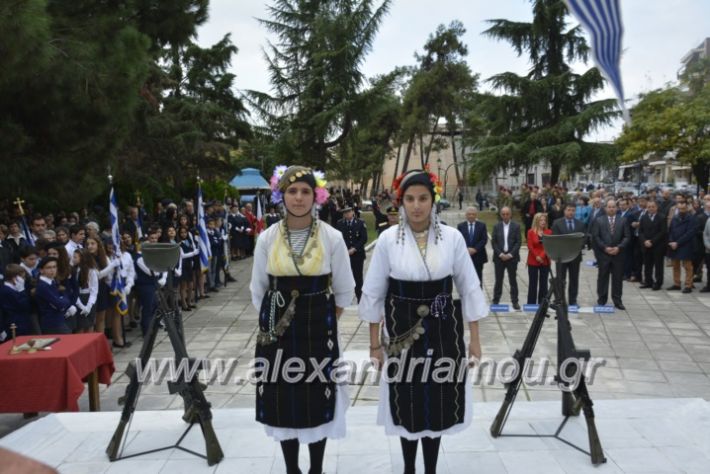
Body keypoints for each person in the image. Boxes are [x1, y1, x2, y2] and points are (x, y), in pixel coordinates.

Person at [359, 168, 487, 474]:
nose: (417, 206)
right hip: (402, 327)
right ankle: (408, 468)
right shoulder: (388, 239)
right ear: (401, 202)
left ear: (433, 200)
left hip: (444, 326)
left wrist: (475, 341)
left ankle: (430, 468)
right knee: (408, 397)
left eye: (423, 198)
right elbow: (374, 293)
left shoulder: (453, 238)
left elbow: (470, 288)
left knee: (440, 397)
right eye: (410, 199)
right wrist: (375, 345)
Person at [250, 165, 355, 474]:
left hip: (317, 333)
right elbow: (259, 290)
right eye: (292, 191)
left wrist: (322, 318)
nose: (298, 198)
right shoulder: (267, 238)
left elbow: (345, 291)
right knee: (284, 399)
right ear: (281, 195)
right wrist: (276, 321)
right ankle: (292, 469)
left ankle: (316, 469)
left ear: (316, 195)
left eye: (305, 191)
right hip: (277, 334)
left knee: (316, 398)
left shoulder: (332, 237)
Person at [591, 198, 630, 310]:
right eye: (609, 207)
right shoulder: (599, 220)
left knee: (617, 278)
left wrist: (619, 247)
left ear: (616, 208)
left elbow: (627, 237)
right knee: (603, 277)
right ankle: (602, 299)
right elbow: (596, 236)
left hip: (618, 254)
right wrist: (605, 248)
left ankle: (617, 301)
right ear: (605, 208)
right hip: (604, 254)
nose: (611, 209)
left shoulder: (623, 220)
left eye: (613, 207)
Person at [550, 203, 586, 305]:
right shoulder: (557, 223)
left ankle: (573, 300)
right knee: (560, 279)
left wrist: (577, 247)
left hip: (575, 256)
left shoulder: (580, 224)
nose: (571, 212)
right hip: (561, 256)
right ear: (564, 211)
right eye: (569, 210)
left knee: (574, 279)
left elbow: (584, 238)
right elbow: (555, 239)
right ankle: (560, 299)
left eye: (573, 210)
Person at [35, 257, 77, 334]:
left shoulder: (52, 281)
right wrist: (62, 300)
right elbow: (59, 304)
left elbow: (65, 295)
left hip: (60, 319)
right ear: (41, 270)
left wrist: (62, 299)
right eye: (49, 267)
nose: (52, 270)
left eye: (54, 267)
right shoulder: (43, 286)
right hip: (52, 323)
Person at [491, 206, 521, 310]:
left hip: (512, 258)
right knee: (498, 280)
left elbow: (518, 242)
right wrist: (500, 254)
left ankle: (515, 301)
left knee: (513, 280)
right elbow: (493, 242)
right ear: (500, 215)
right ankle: (495, 300)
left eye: (507, 214)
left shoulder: (516, 226)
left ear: (510, 214)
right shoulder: (496, 226)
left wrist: (510, 255)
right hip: (499, 258)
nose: (505, 216)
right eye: (503, 214)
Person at [335, 206, 367, 302]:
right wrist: (344, 250)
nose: (347, 214)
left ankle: (360, 298)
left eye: (349, 212)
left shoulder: (360, 223)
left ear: (353, 212)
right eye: (345, 212)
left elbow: (364, 238)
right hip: (345, 256)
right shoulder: (340, 223)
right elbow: (338, 238)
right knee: (344, 278)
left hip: (357, 255)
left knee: (358, 277)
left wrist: (354, 249)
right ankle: (345, 299)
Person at [667, 198, 697, 293]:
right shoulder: (675, 218)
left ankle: (688, 285)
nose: (681, 210)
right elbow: (670, 230)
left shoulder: (691, 218)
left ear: (687, 207)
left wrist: (678, 243)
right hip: (674, 245)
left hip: (686, 245)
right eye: (679, 208)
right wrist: (672, 241)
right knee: (675, 265)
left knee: (688, 266)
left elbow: (690, 233)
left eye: (683, 208)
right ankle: (677, 284)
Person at [638, 200, 667, 291]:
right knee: (647, 264)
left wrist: (652, 241)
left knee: (658, 265)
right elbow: (640, 231)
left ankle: (658, 283)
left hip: (657, 245)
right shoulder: (643, 217)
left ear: (656, 207)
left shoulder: (662, 217)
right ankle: (648, 281)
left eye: (653, 207)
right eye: (649, 207)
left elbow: (662, 232)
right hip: (646, 245)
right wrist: (645, 241)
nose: (651, 208)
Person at [457, 206, 488, 287]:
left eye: (473, 214)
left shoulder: (482, 226)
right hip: (465, 257)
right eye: (469, 214)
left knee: (478, 278)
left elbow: (484, 239)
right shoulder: (460, 226)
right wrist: (467, 249)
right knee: (466, 279)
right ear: (466, 215)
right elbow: (459, 240)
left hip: (478, 256)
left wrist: (475, 249)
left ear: (476, 215)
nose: (471, 216)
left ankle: (478, 297)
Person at [526, 213, 552, 304]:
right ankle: (531, 304)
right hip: (533, 260)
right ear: (536, 221)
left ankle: (542, 304)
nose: (543, 222)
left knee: (543, 284)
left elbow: (548, 246)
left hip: (545, 261)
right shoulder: (530, 232)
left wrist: (541, 256)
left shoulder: (549, 232)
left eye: (544, 220)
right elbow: (530, 246)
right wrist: (537, 256)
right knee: (533, 284)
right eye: (541, 220)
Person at [0, 264, 32, 337]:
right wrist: (22, 290)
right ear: (15, 278)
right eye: (23, 277)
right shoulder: (6, 291)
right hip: (14, 327)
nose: (24, 280)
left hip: (21, 325)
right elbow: (24, 306)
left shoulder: (13, 289)